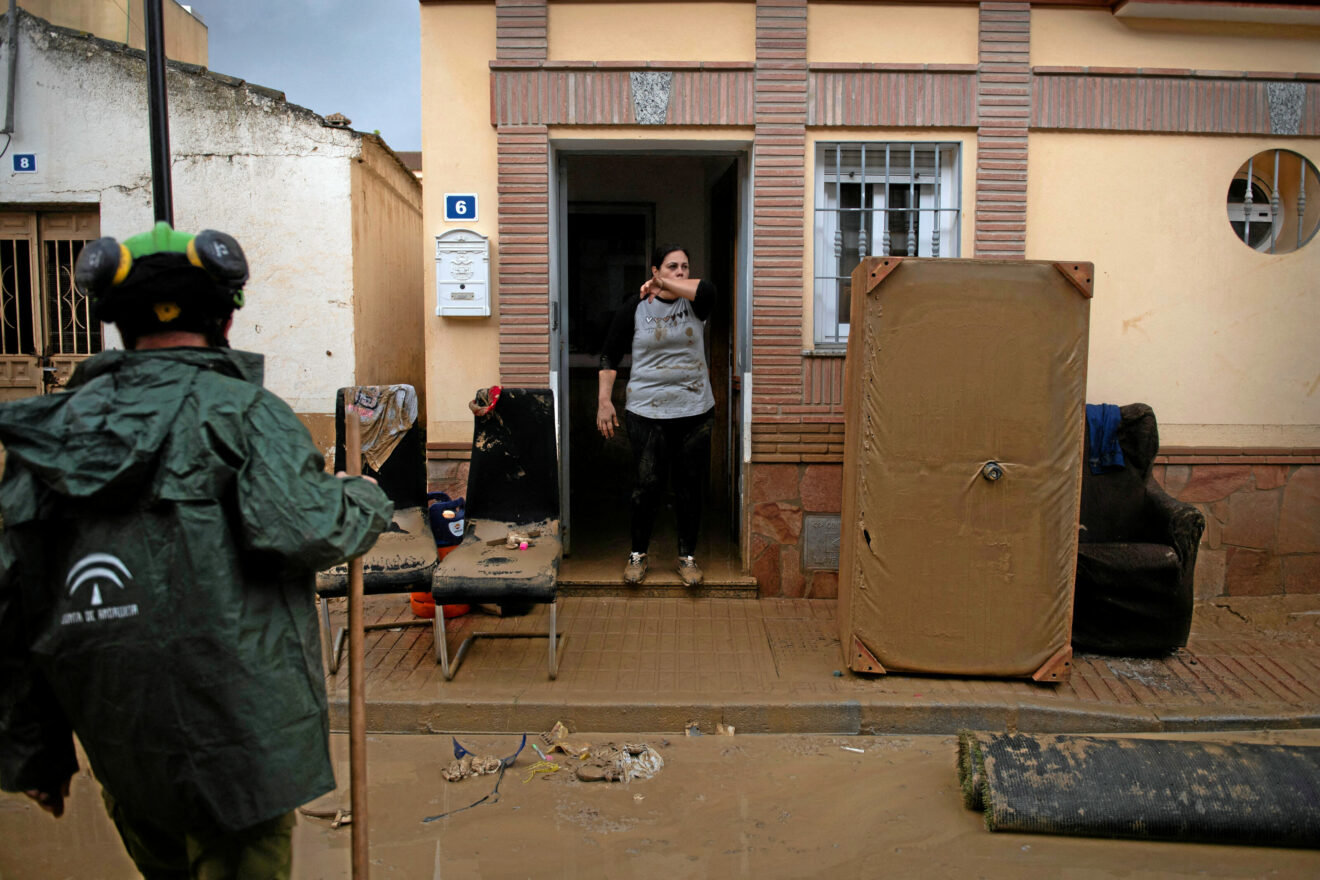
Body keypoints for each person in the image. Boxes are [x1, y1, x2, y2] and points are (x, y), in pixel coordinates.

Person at [0, 221, 392, 878]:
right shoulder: (245, 415)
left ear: (118, 326)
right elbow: (301, 531)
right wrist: (363, 498)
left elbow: (15, 601)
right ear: (225, 321)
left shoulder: (52, 433)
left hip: (123, 740)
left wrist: (33, 753)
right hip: (240, 740)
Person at [597, 243, 716, 587]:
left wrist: (665, 286)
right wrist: (605, 402)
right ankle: (638, 553)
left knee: (689, 486)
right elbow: (610, 355)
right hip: (646, 411)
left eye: (684, 267)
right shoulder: (635, 307)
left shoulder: (698, 303)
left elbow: (707, 289)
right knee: (647, 484)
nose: (680, 272)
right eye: (671, 267)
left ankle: (687, 558)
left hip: (694, 410)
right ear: (655, 271)